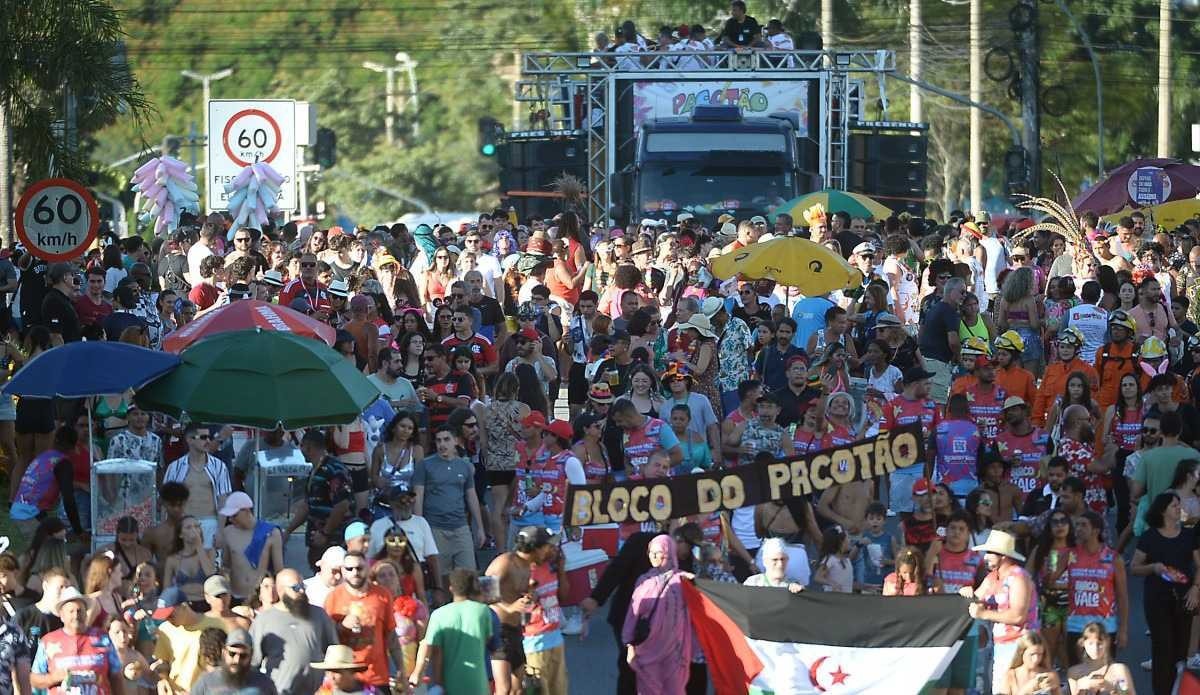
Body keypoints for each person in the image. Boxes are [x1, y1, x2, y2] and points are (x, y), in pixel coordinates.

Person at [1130, 492, 1200, 695]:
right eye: (1174, 506)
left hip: (1184, 598)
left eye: (1179, 505)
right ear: (1162, 511)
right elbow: (1134, 567)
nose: (1179, 508)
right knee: (1163, 648)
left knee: (1181, 650)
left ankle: (1179, 689)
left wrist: (1196, 589)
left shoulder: (1189, 536)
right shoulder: (1150, 537)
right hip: (1157, 600)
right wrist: (1153, 568)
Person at [960, 529, 1039, 694]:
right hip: (1001, 644)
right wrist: (966, 593)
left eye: (989, 552)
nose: (985, 557)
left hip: (1021, 645)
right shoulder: (992, 578)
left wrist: (983, 614)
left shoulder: (1019, 576)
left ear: (1002, 555)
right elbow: (975, 600)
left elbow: (1018, 616)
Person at [622, 534, 693, 695]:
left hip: (674, 650)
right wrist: (630, 646)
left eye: (658, 552)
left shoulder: (683, 580)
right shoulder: (644, 580)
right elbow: (633, 615)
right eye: (650, 552)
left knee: (674, 690)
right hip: (646, 650)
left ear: (668, 552)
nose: (653, 556)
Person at [323, 551, 404, 692]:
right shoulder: (333, 598)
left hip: (376, 676)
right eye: (349, 569)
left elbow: (391, 636)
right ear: (343, 570)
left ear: (367, 568)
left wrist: (401, 668)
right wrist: (342, 626)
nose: (355, 572)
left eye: (359, 568)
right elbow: (324, 639)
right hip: (344, 678)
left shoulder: (382, 595)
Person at [249, 568, 338, 695]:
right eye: (295, 588)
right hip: (279, 691)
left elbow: (333, 653)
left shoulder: (319, 615)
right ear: (280, 590)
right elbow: (253, 662)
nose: (302, 591)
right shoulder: (263, 620)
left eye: (303, 586)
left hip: (317, 691)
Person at [408, 568, 494, 695]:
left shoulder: (438, 614)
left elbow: (427, 645)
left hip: (448, 683)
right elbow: (487, 639)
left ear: (451, 589)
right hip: (478, 683)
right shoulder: (483, 611)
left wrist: (418, 671)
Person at [413, 427, 485, 577]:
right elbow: (418, 497)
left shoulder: (465, 466)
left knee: (469, 576)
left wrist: (480, 528)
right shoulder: (425, 465)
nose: (442, 444)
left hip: (461, 527)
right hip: (435, 528)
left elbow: (472, 496)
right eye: (438, 440)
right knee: (441, 577)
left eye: (446, 439)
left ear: (455, 441)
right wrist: (419, 528)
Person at [30, 587, 125, 695]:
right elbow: (34, 679)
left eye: (79, 611)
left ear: (85, 613)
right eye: (71, 611)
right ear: (62, 615)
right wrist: (52, 678)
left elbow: (116, 675)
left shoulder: (102, 638)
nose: (76, 615)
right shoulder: (48, 641)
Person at [286, 430, 353, 570]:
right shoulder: (315, 470)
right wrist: (288, 531)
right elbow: (308, 506)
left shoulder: (334, 469)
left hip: (333, 539)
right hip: (316, 538)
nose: (301, 450)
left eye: (302, 446)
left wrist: (325, 533)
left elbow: (342, 505)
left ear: (309, 447)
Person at [163, 423, 232, 546]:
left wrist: (221, 531)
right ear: (189, 440)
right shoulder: (175, 467)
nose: (208, 441)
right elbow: (166, 501)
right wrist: (169, 528)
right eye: (203, 437)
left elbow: (223, 500)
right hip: (183, 524)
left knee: (210, 564)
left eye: (209, 437)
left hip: (211, 523)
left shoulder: (219, 466)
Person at [150, 586, 229, 693]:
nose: (168, 620)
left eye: (171, 615)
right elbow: (164, 662)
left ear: (184, 606)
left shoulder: (215, 625)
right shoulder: (165, 630)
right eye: (165, 617)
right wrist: (162, 680)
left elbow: (224, 663)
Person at [918, 277, 966, 404]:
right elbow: (953, 341)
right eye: (962, 292)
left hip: (927, 362)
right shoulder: (949, 311)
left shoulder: (937, 307)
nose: (964, 296)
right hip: (937, 364)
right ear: (952, 291)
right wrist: (959, 359)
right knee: (937, 406)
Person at [189, 628, 278, 695]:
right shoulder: (205, 683)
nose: (237, 660)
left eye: (243, 656)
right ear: (224, 652)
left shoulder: (264, 684)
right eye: (232, 653)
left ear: (251, 656)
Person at [1066, 623, 1137, 695]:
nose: (1095, 648)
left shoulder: (1119, 670)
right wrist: (1082, 688)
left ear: (1107, 642)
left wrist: (1111, 688)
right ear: (1083, 644)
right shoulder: (1074, 672)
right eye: (1091, 643)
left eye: (1099, 644)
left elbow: (1129, 693)